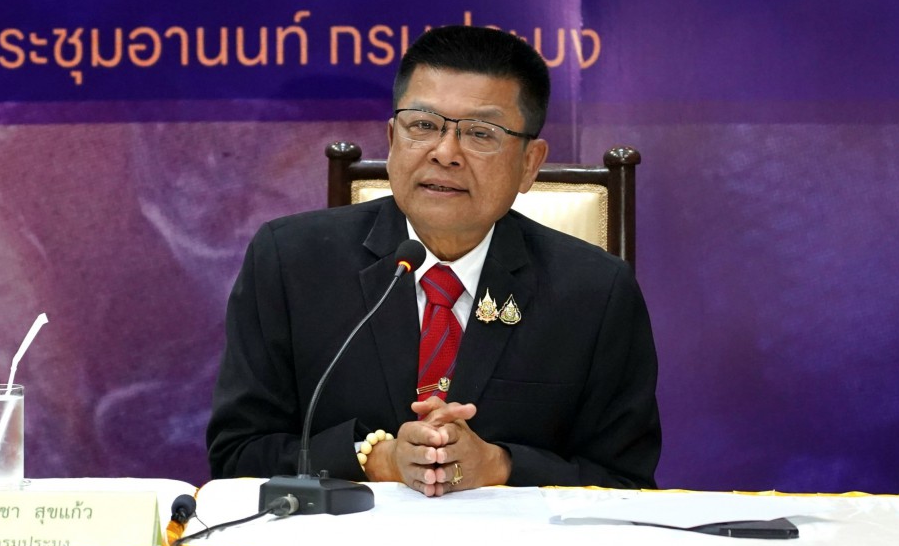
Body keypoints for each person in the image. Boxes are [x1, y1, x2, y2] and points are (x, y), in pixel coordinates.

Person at [206, 25, 660, 496]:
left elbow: (626, 483)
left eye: (480, 133)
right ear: (392, 139)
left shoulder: (594, 292)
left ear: (529, 163)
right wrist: (374, 458)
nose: (445, 153)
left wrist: (502, 466)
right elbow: (238, 456)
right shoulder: (292, 262)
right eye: (423, 126)